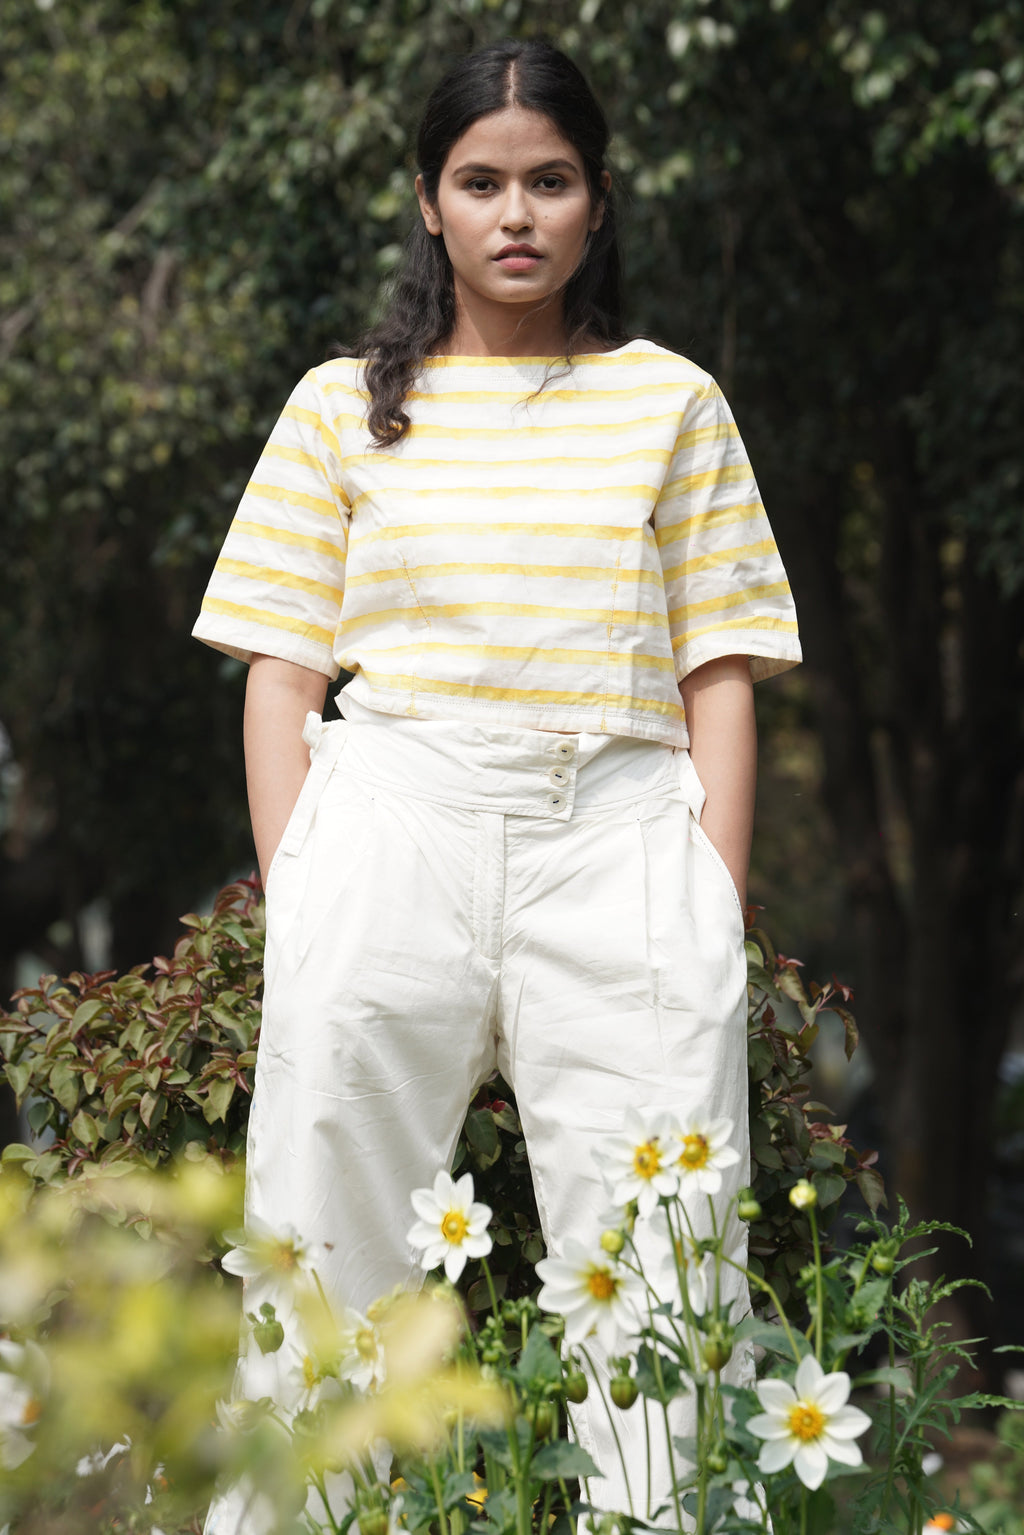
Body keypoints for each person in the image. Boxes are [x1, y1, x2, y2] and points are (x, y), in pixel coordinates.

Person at [193, 37, 801, 1533]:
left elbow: (720, 670)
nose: (516, 214)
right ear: (430, 201)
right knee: (323, 1245)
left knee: (666, 1259)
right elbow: (280, 670)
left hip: (619, 840)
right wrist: (302, 891)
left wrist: (712, 901)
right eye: (481, 182)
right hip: (391, 822)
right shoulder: (341, 407)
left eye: (551, 180)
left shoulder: (672, 403)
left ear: (598, 198)